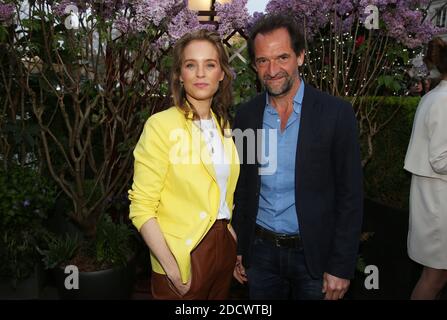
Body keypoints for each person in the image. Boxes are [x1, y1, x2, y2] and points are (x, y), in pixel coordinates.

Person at [232, 14, 363, 300]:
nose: (272, 69)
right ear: (255, 65)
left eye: (282, 57)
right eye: (263, 60)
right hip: (261, 255)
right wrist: (240, 248)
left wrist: (341, 265)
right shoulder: (246, 116)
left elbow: (350, 196)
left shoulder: (336, 114)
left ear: (300, 57)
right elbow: (243, 188)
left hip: (314, 256)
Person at [128, 30, 240, 300]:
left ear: (222, 74)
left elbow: (222, 195)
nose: (201, 73)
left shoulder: (223, 126)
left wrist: (232, 242)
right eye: (191, 65)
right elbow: (142, 207)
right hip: (181, 258)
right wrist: (172, 269)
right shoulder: (161, 126)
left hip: (222, 252)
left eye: (210, 65)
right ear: (180, 74)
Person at [404, 37, 447, 300]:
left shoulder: (437, 97)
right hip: (437, 205)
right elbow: (440, 159)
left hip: (435, 200)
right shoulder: (443, 101)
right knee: (435, 276)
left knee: (437, 275)